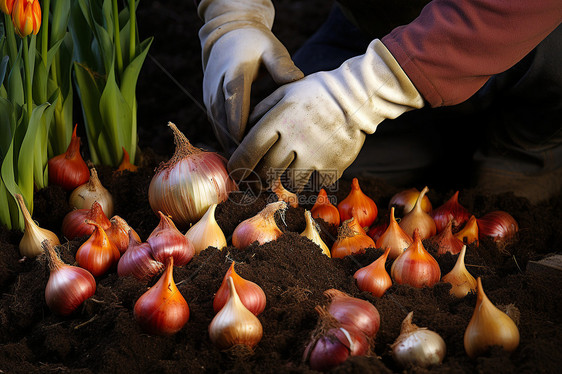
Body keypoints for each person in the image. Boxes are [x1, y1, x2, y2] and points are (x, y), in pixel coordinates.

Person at [195, 0, 562, 203]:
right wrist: (233, 14)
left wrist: (362, 90)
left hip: (529, 26)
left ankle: (528, 148)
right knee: (289, 162)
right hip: (386, 24)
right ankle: (435, 127)